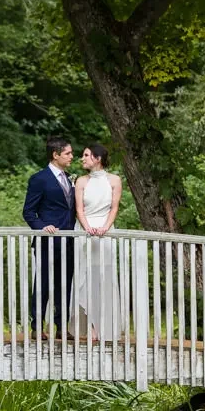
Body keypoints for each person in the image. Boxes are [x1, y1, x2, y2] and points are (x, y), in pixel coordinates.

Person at [22, 137, 76, 340]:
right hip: (48, 240)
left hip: (69, 240)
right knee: (43, 283)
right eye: (68, 153)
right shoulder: (39, 179)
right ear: (55, 155)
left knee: (65, 284)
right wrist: (42, 227)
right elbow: (29, 212)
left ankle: (61, 326)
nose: (72, 156)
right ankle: (37, 326)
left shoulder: (70, 178)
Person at [71, 144, 122, 342]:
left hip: (105, 231)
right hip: (85, 230)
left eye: (86, 155)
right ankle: (90, 327)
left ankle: (104, 326)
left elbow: (114, 208)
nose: (82, 158)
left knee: (103, 277)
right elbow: (79, 209)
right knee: (84, 277)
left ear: (98, 158)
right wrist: (87, 228)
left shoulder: (114, 180)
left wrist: (105, 228)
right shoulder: (81, 181)